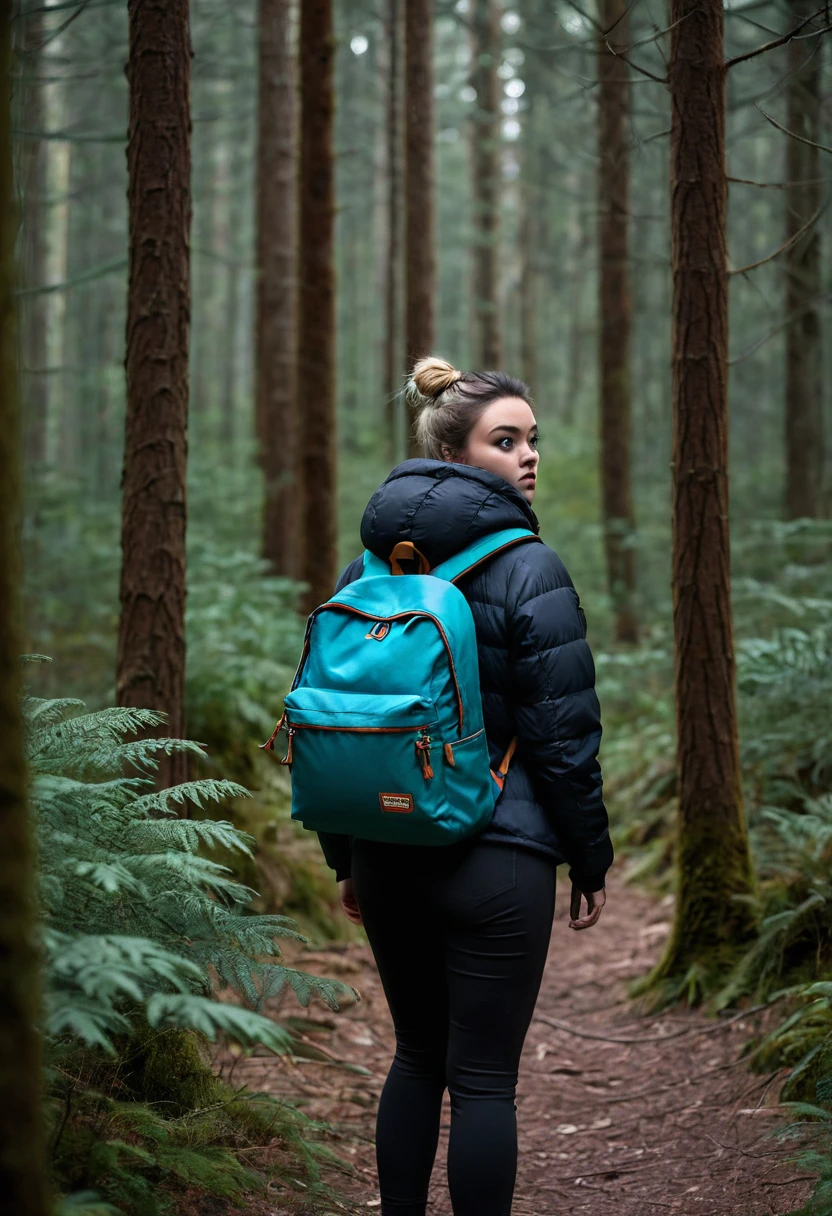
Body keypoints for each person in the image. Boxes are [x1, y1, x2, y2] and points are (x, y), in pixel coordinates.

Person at [315, 356, 613, 1216]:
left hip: (385, 847)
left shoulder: (366, 570)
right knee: (483, 1081)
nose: (530, 457)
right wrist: (588, 860)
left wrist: (346, 855)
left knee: (415, 1058)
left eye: (532, 440)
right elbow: (565, 738)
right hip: (497, 854)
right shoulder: (530, 567)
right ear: (452, 453)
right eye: (506, 440)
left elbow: (339, 722)